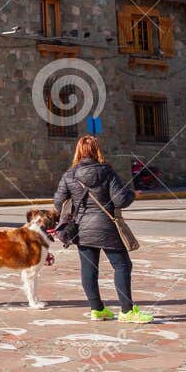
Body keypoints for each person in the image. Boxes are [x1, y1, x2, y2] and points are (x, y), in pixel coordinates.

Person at [53, 135, 152, 324]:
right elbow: (120, 200)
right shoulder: (106, 171)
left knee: (89, 269)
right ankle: (127, 311)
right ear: (97, 150)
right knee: (122, 266)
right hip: (107, 226)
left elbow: (58, 203)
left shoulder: (69, 175)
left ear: (78, 151)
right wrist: (132, 194)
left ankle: (97, 309)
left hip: (82, 228)